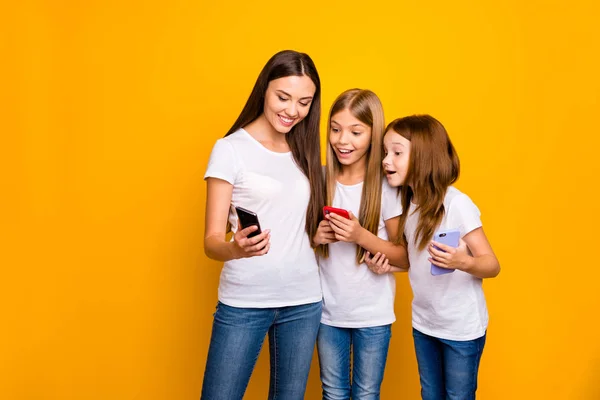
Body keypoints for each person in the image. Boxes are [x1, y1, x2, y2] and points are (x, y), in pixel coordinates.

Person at [201, 50, 325, 400]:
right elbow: (211, 241)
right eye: (283, 97)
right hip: (245, 300)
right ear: (264, 90)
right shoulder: (229, 149)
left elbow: (299, 225)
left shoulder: (304, 150)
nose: (292, 111)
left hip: (303, 300)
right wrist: (235, 248)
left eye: (304, 102)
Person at [367, 114, 500, 400]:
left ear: (424, 156)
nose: (386, 160)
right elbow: (417, 263)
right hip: (424, 323)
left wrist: (461, 262)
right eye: (385, 152)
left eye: (397, 153)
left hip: (461, 328)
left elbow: (492, 264)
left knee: (458, 396)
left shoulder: (456, 204)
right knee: (430, 394)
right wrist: (387, 267)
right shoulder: (410, 203)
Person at [313, 89, 409, 400]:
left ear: (373, 135)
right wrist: (315, 239)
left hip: (373, 315)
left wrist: (360, 236)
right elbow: (296, 247)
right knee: (333, 393)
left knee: (367, 394)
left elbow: (405, 257)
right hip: (327, 313)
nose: (343, 141)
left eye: (356, 132)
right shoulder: (320, 179)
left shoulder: (386, 187)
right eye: (336, 129)